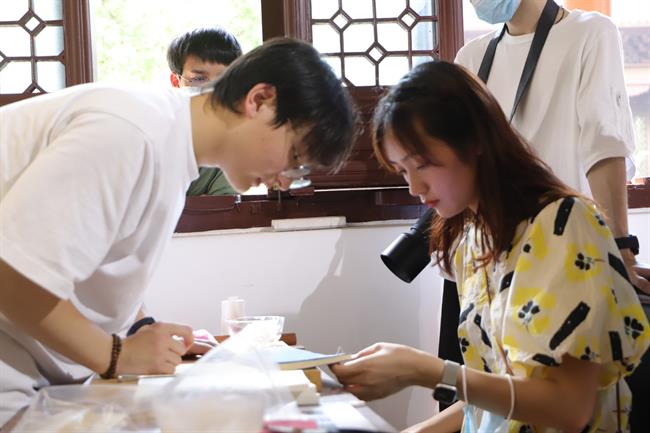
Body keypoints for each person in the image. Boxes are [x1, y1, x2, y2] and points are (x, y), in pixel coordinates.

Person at [0, 38, 357, 428]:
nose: (285, 182)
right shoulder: (130, 131)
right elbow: (12, 276)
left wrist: (141, 329)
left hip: (35, 371)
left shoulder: (169, 146)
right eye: (295, 159)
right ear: (259, 100)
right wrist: (116, 355)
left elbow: (93, 256)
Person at [331, 61, 649, 433]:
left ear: (475, 142)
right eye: (403, 171)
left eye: (423, 164)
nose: (415, 187)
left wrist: (426, 371)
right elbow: (496, 392)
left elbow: (568, 408)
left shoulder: (564, 224)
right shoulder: (472, 238)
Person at [454, 2, 650, 429]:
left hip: (564, 262)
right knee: (491, 402)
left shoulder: (590, 32)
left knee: (563, 406)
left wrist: (621, 251)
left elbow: (604, 146)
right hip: (492, 266)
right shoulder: (471, 58)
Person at [167, 26, 242, 196]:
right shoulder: (153, 133)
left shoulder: (232, 144)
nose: (212, 90)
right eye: (199, 79)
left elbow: (222, 207)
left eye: (223, 79)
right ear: (176, 82)